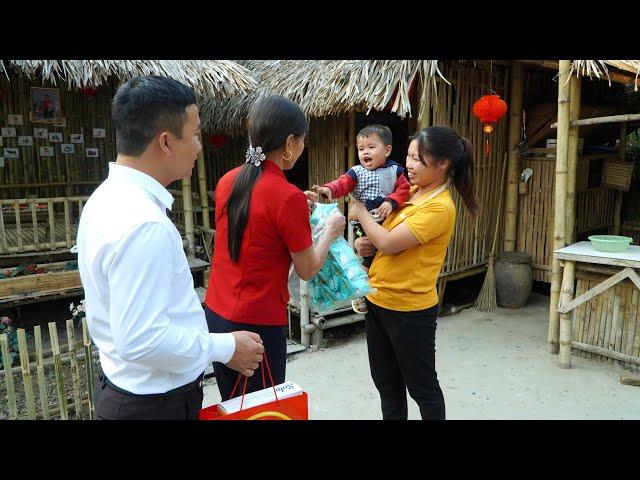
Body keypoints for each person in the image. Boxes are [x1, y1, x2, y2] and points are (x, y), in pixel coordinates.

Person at [76, 76, 265, 420]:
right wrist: (225, 348)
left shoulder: (105, 198)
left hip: (129, 389)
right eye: (194, 134)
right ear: (165, 142)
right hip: (154, 405)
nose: (198, 146)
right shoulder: (144, 224)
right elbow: (140, 339)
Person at [205, 95, 346, 401]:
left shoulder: (228, 181)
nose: (303, 147)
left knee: (235, 404)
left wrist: (298, 214)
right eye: (302, 140)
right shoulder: (287, 195)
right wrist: (330, 233)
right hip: (256, 322)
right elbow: (307, 268)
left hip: (217, 312)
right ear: (289, 143)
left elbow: (256, 233)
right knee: (261, 407)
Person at [349, 125, 479, 420]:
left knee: (422, 388)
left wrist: (359, 213)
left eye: (417, 159)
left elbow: (389, 243)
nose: (408, 164)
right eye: (408, 156)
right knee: (387, 384)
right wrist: (364, 243)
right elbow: (381, 239)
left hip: (409, 312)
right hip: (379, 301)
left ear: (442, 164)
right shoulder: (413, 192)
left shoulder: (440, 207)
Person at [313, 124, 410, 314]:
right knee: (367, 253)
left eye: (371, 147)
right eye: (361, 148)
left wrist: (391, 202)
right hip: (362, 224)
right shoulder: (356, 172)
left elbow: (404, 190)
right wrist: (329, 189)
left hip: (388, 220)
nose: (365, 152)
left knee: (385, 254)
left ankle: (376, 288)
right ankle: (361, 292)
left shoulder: (396, 171)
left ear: (387, 150)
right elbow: (343, 183)